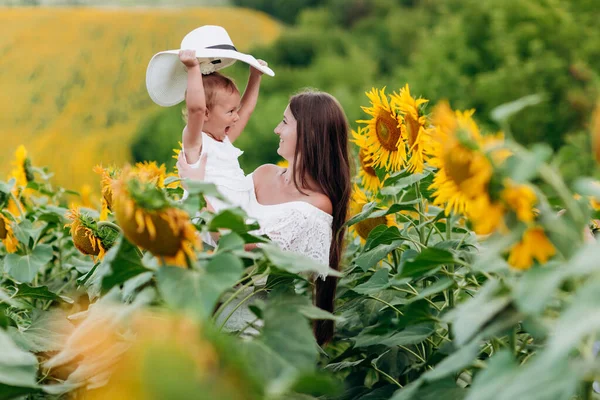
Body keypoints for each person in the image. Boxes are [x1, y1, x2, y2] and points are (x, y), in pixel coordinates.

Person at [178, 90, 352, 345]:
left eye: (284, 122)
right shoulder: (264, 175)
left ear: (309, 133)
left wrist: (196, 191)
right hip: (205, 315)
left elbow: (239, 248)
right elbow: (223, 209)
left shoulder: (315, 206)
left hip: (255, 334)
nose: (276, 130)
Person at [178, 49, 268, 212]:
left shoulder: (224, 138)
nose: (236, 117)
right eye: (230, 111)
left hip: (234, 217)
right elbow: (196, 109)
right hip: (206, 218)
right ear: (206, 113)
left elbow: (246, 110)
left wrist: (255, 76)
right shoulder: (196, 141)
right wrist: (193, 68)